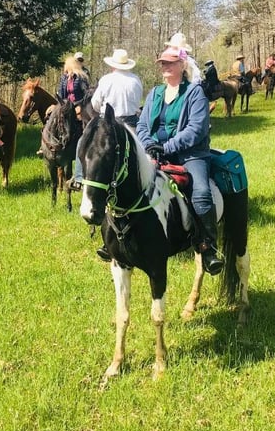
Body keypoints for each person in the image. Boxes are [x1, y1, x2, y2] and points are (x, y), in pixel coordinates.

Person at [135, 45, 224, 276]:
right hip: (154, 152)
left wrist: (166, 147)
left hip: (190, 154)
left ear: (181, 65)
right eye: (162, 63)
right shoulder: (154, 93)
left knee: (201, 192)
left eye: (170, 62)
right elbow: (143, 126)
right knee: (125, 179)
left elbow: (196, 130)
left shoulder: (194, 93)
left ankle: (208, 247)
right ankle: (119, 240)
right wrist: (149, 146)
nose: (165, 66)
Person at [69, 48, 143, 196]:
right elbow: (138, 99)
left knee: (82, 142)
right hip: (132, 123)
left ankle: (78, 178)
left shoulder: (107, 79)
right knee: (141, 152)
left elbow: (96, 104)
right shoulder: (136, 80)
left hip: (108, 123)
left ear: (113, 65)